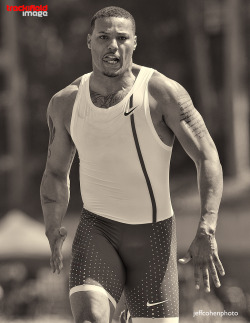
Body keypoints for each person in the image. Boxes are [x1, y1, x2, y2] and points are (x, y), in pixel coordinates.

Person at [40, 6, 225, 323]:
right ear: (89, 42)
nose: (113, 45)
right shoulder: (65, 102)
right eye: (103, 37)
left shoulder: (161, 93)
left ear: (134, 43)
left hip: (155, 240)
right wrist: (52, 223)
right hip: (97, 230)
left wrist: (207, 226)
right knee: (89, 319)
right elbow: (56, 172)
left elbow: (207, 156)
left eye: (122, 37)